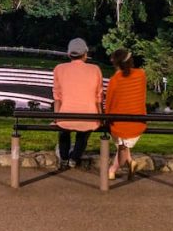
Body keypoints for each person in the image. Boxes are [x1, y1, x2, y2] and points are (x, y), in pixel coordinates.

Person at [52, 38, 103, 169]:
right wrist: (100, 118)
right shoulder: (95, 69)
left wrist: (57, 118)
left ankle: (64, 158)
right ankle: (74, 158)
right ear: (85, 54)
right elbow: (98, 98)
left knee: (63, 131)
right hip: (89, 118)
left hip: (65, 117)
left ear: (69, 54)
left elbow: (57, 97)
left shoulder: (59, 69)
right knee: (83, 134)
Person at [105, 48, 147, 180]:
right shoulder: (141, 74)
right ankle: (131, 162)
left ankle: (112, 170)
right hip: (138, 123)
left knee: (121, 147)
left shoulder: (114, 80)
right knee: (124, 145)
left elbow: (109, 105)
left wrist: (105, 119)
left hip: (119, 125)